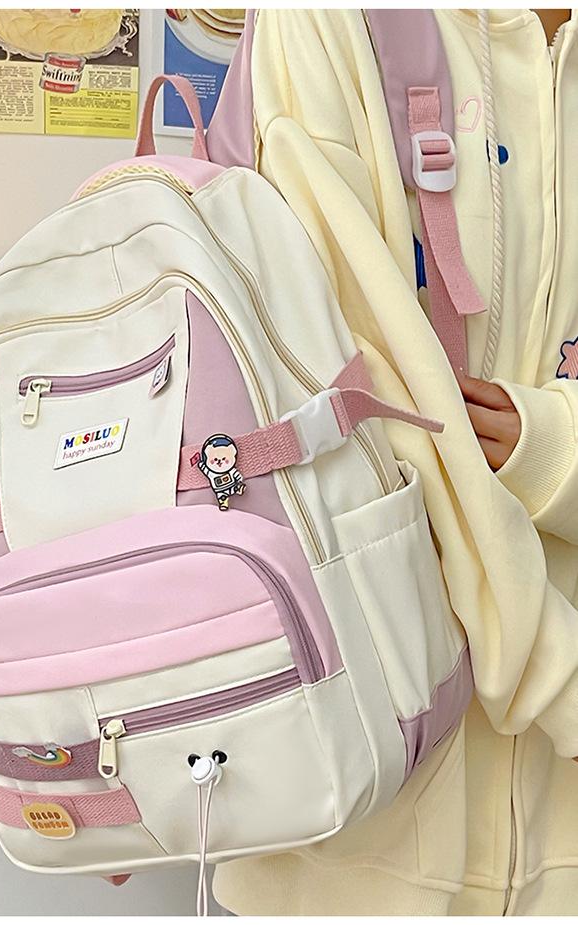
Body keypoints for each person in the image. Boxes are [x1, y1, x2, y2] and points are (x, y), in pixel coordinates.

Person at [212, 9, 578, 915]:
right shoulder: (327, 21)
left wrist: (553, 447)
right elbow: (342, 408)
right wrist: (559, 676)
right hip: (358, 840)